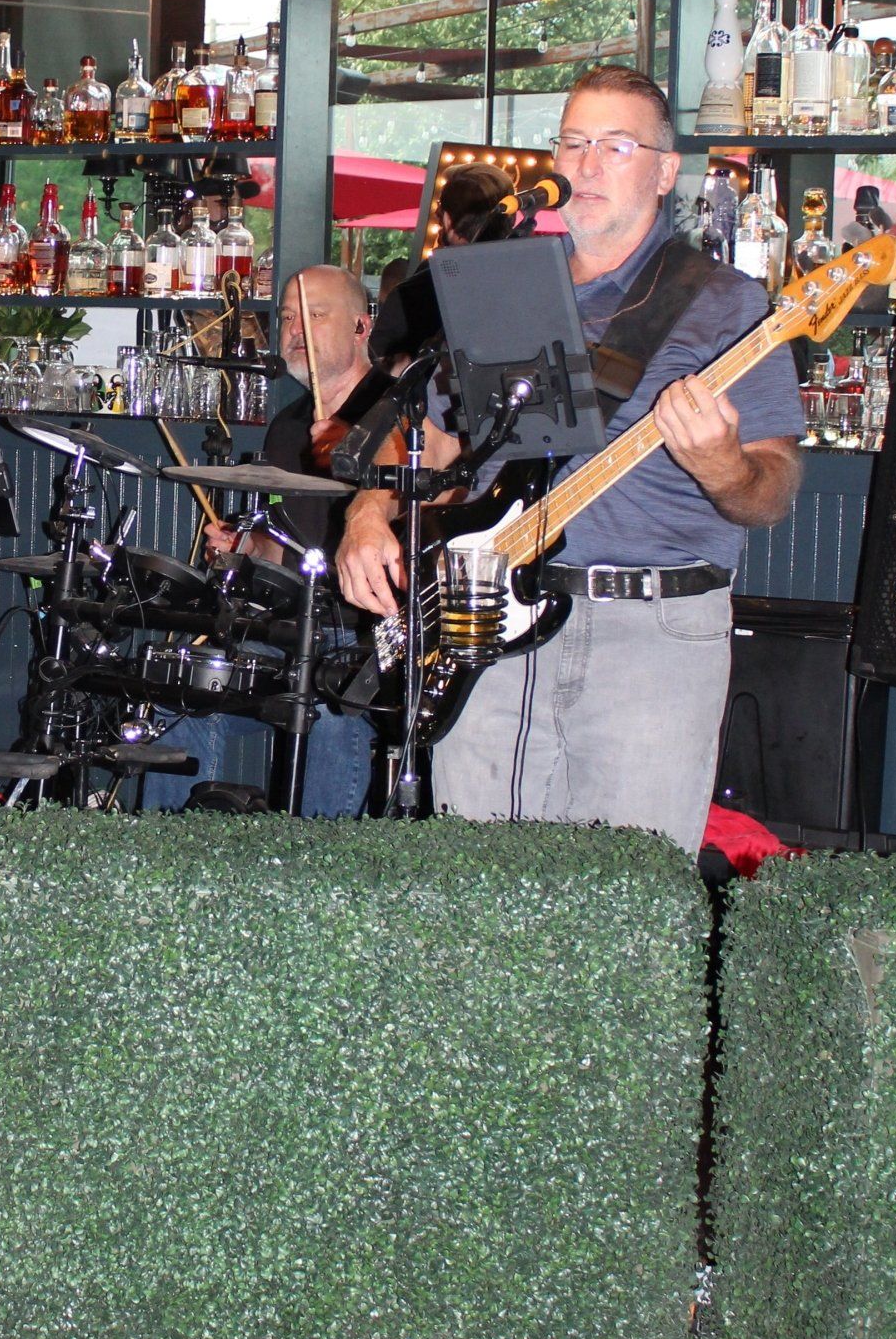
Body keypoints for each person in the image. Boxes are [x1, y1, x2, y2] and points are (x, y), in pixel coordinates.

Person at [337, 68, 804, 854]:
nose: (583, 167)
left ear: (663, 172)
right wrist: (366, 511)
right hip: (488, 618)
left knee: (630, 908)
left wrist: (721, 463)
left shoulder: (725, 304)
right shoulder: (503, 285)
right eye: (573, 144)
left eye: (615, 146)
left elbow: (773, 492)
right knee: (479, 890)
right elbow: (434, 433)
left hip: (650, 634)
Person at [144, 265, 376, 819]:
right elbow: (285, 547)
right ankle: (165, 860)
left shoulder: (400, 417)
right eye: (290, 318)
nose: (296, 331)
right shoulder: (289, 426)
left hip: (365, 637)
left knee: (330, 712)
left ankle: (319, 870)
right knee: (187, 689)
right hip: (290, 625)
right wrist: (248, 550)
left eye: (316, 315)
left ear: (363, 326)